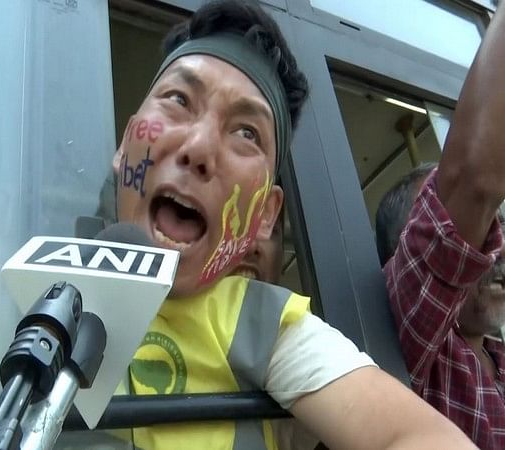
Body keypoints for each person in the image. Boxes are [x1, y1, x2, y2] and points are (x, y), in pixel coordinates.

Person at [112, 0, 474, 448]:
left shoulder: (264, 326)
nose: (199, 148)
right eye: (178, 100)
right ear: (124, 143)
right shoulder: (22, 273)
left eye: (246, 133)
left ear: (265, 215)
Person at [378, 3, 505, 447]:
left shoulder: (498, 353)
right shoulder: (414, 349)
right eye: (466, 237)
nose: (491, 253)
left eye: (492, 229)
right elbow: (473, 179)